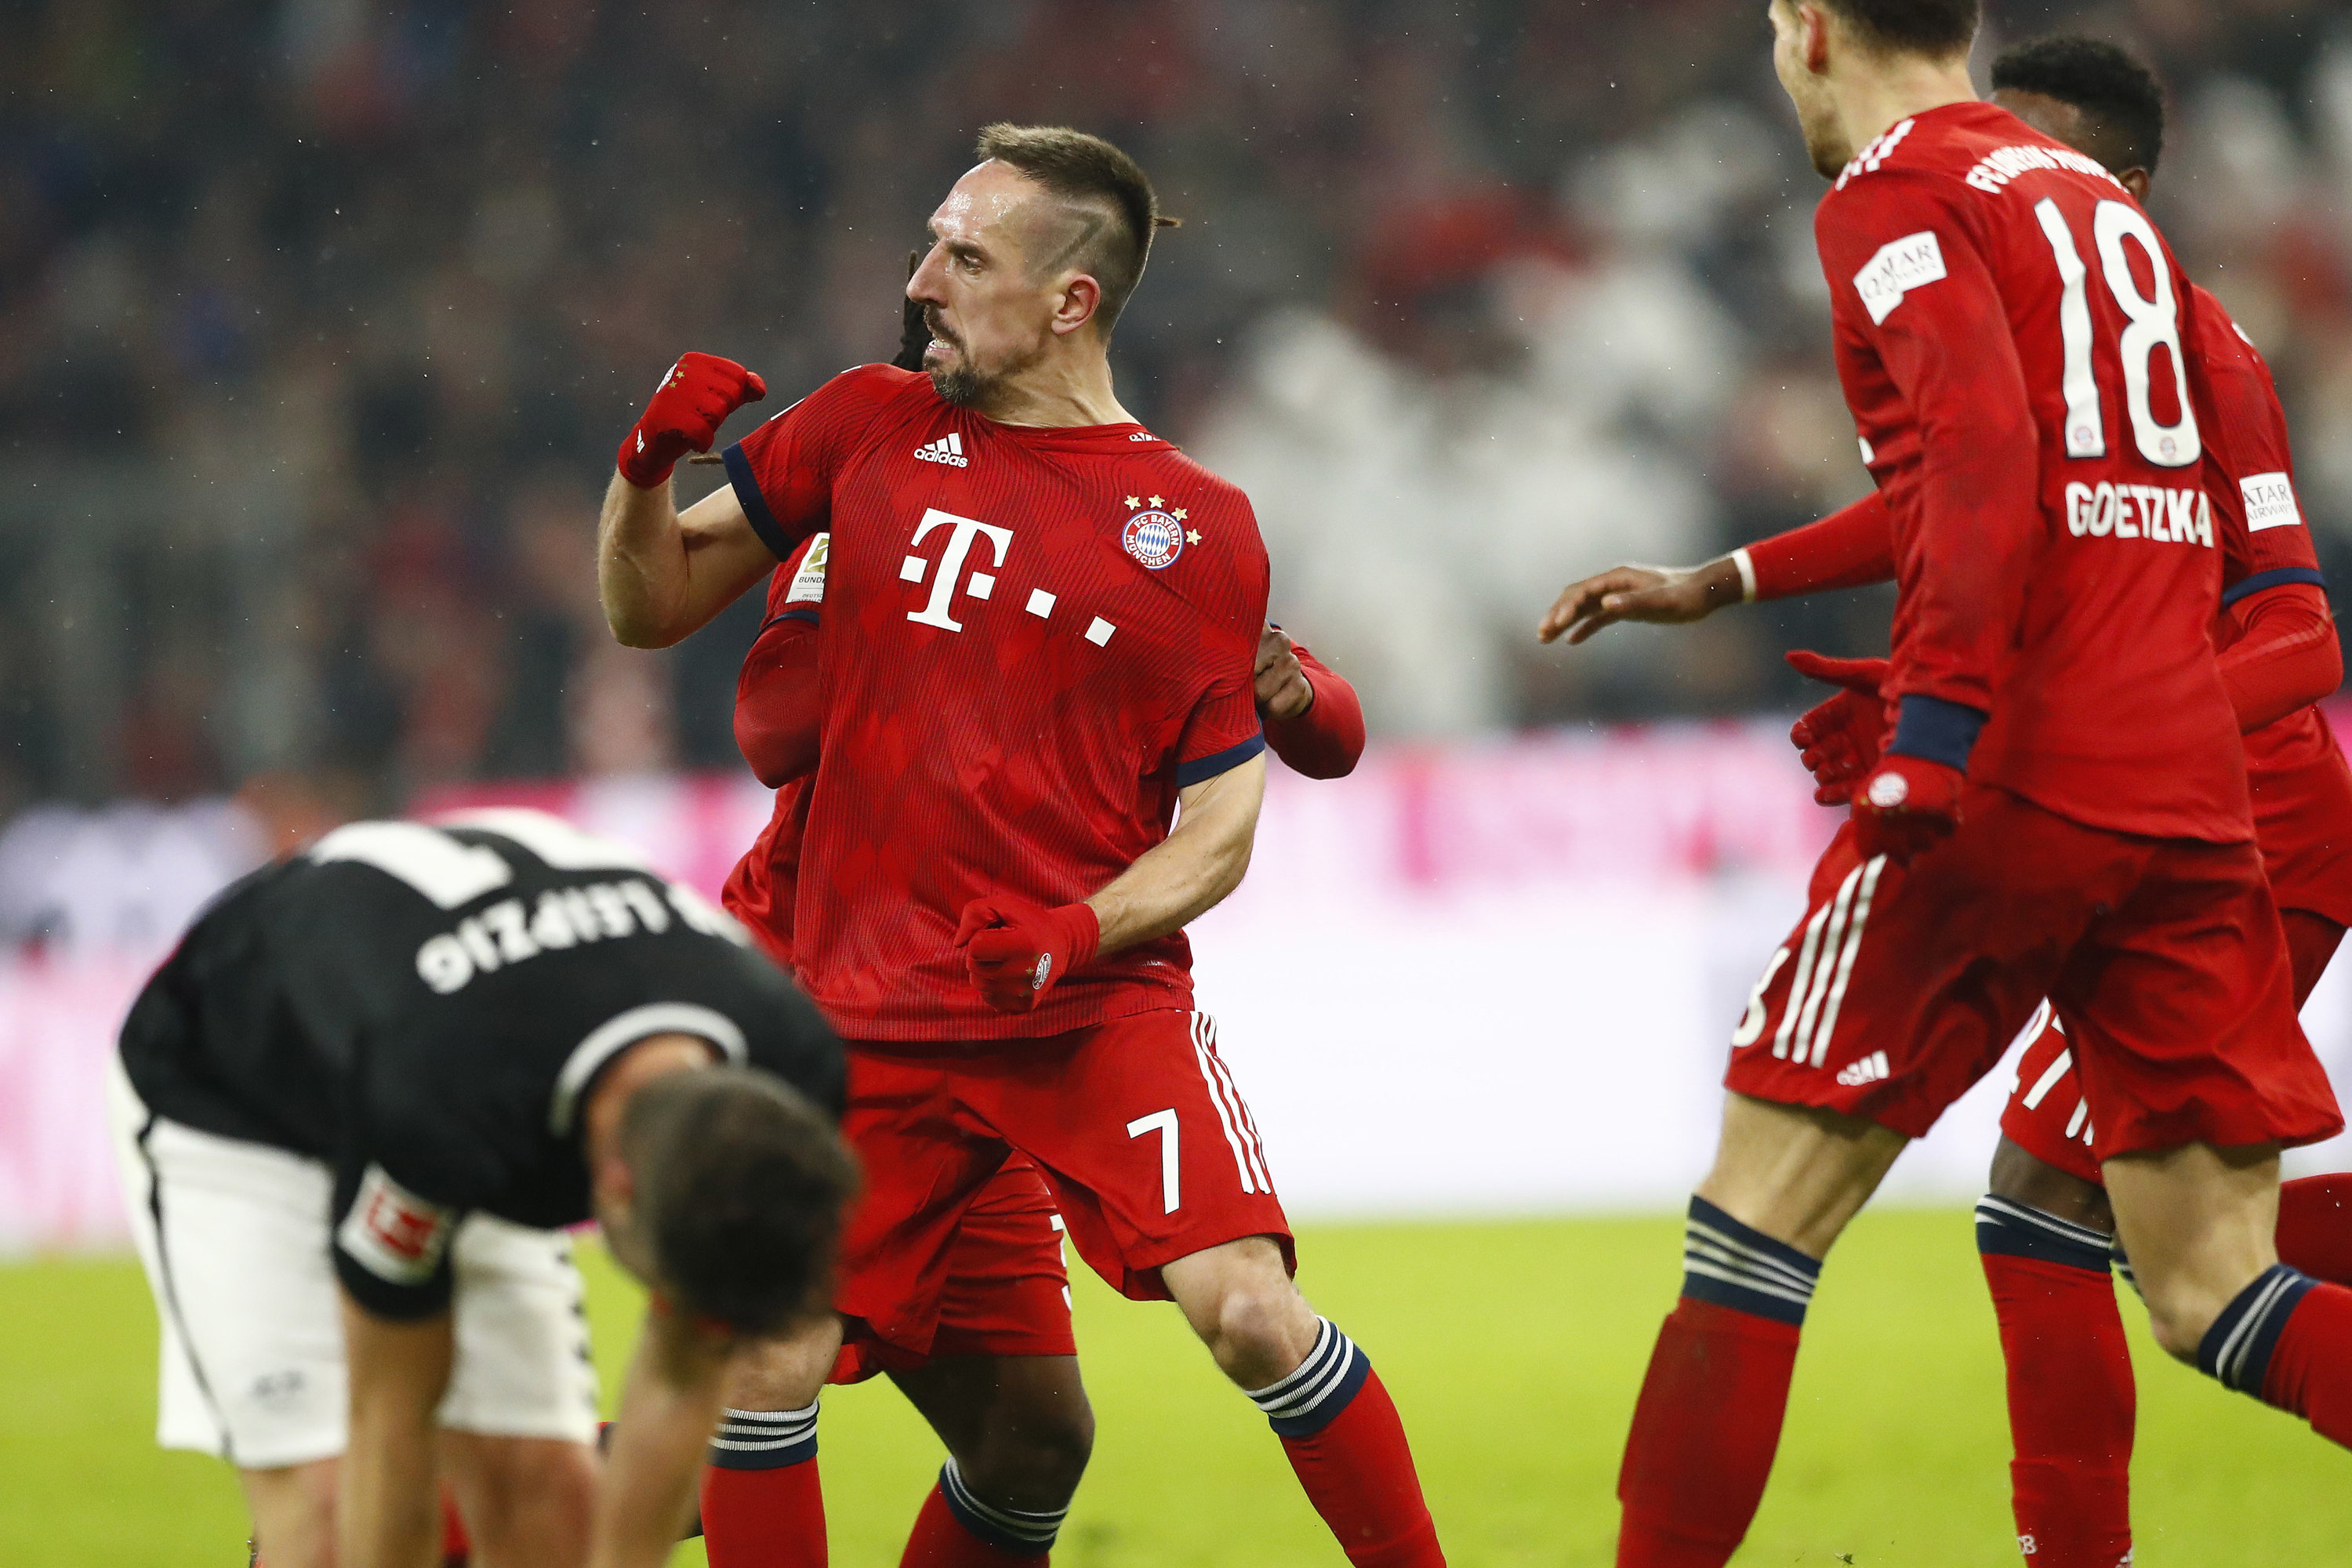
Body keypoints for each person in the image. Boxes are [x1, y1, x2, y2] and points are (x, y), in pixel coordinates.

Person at [1537, 3, 2352, 1563]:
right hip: (2185, 804)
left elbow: (1980, 457)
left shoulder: (1898, 189)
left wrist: (1938, 733)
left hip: (2019, 788)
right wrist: (1728, 582)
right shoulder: (2112, 220)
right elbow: (2032, 483)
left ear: (1810, 30)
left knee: (1757, 1223)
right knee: (2212, 1285)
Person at [597, 123, 1442, 1568]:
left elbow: (1228, 821)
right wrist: (643, 473)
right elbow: (651, 609)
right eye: (932, 245)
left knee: (1231, 1323)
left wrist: (1077, 929)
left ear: (1070, 300)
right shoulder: (867, 425)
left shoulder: (1193, 525)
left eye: (964, 256)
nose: (920, 280)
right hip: (861, 1009)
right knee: (764, 1368)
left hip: (1082, 1010)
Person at [702, 515, 1366, 1566]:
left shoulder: (1125, 527)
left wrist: (1295, 685)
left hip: (992, 1014)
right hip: (817, 1012)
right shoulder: (879, 505)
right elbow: (775, 729)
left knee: (1032, 1442)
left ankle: (487, 1492)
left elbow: (1321, 724)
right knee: (747, 1390)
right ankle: (470, 1503)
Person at [109, 808, 855, 1568]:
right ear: (612, 1185)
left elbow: (679, 1378)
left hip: (463, 1025)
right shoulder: (443, 1113)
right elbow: (392, 1415)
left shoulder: (788, 1070)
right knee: (329, 1514)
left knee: (545, 1490)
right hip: (237, 1088)